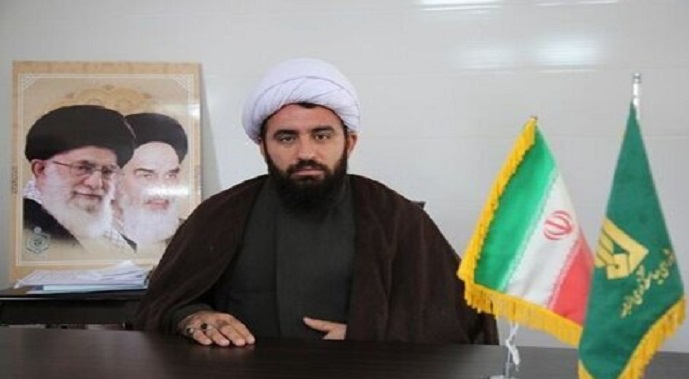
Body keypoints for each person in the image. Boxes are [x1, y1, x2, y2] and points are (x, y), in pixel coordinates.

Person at [134, 58, 498, 347]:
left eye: (322, 136)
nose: (305, 152)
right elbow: (164, 304)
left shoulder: (395, 217)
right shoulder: (220, 214)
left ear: (349, 142)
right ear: (263, 147)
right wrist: (194, 317)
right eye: (286, 138)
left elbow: (460, 319)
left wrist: (366, 336)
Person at [23, 104, 135, 257]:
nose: (96, 183)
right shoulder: (21, 224)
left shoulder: (120, 238)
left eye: (107, 171)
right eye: (82, 168)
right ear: (41, 170)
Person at [113, 112, 189, 257]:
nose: (162, 189)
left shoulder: (191, 234)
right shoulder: (78, 237)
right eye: (147, 176)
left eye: (170, 175)